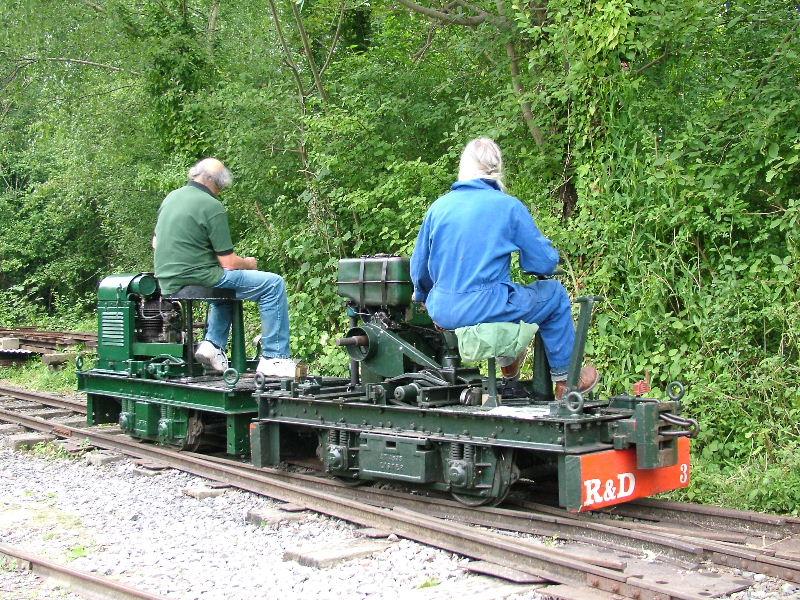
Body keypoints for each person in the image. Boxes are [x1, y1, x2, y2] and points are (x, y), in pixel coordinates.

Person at [410, 138, 598, 399]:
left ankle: (510, 366)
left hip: (442, 311)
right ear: (497, 169)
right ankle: (567, 380)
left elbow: (419, 269)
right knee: (552, 294)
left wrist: (423, 298)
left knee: (506, 297)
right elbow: (542, 262)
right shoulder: (508, 206)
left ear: (464, 167)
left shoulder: (438, 208)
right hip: (485, 306)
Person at [153, 158, 295, 377]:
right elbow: (228, 262)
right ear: (215, 183)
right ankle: (275, 358)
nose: (220, 191)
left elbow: (155, 242)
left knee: (224, 291)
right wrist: (249, 263)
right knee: (273, 284)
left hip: (168, 279)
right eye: (221, 186)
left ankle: (212, 345)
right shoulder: (211, 205)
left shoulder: (171, 198)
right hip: (200, 277)